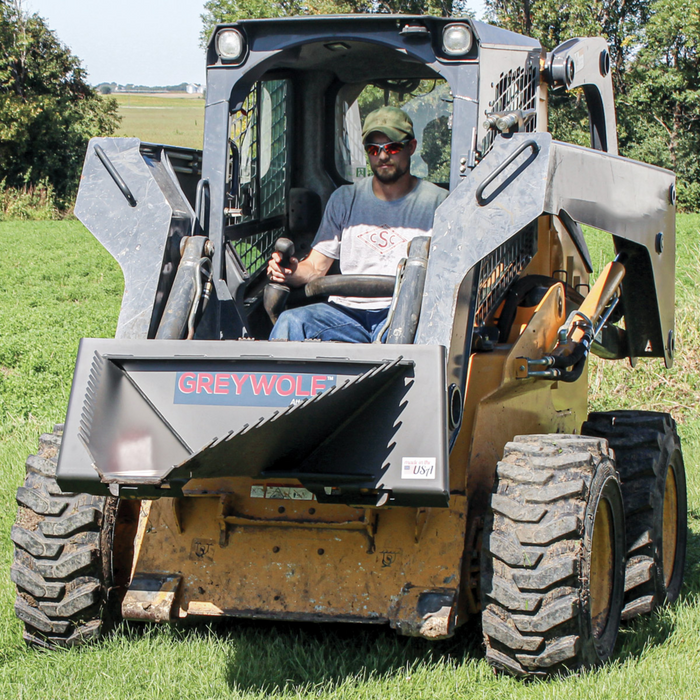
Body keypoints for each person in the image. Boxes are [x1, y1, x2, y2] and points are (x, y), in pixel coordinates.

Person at [267, 105, 447, 342]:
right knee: (290, 322)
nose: (382, 156)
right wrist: (289, 272)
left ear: (411, 147)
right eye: (373, 149)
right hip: (345, 313)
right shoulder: (344, 199)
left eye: (392, 147)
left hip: (404, 312)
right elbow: (315, 268)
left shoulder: (439, 203)